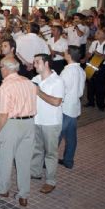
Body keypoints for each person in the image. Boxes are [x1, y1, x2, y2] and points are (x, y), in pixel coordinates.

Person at [0, 57, 37, 207]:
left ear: (6, 68)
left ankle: (3, 189)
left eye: (0, 67)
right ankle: (24, 194)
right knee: (24, 161)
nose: (0, 70)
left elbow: (3, 115)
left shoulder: (5, 87)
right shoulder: (29, 83)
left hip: (12, 125)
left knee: (5, 158)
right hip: (29, 123)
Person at [30, 53, 64, 194]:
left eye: (37, 62)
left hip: (51, 122)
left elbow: (56, 102)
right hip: (37, 119)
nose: (34, 65)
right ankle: (35, 172)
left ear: (46, 64)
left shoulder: (57, 81)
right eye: (34, 62)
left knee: (51, 152)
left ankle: (50, 181)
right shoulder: (35, 79)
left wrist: (38, 92)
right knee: (36, 148)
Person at [58, 46, 85, 169]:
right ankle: (68, 161)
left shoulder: (67, 72)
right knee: (71, 137)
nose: (64, 53)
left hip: (65, 108)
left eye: (65, 51)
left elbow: (61, 91)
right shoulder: (81, 70)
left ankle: (47, 162)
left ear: (69, 55)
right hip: (75, 107)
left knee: (56, 137)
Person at [85, 28, 105, 111]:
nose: (96, 34)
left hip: (101, 68)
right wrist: (87, 56)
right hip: (92, 65)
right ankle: (91, 102)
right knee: (90, 85)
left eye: (98, 33)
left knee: (100, 87)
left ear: (104, 35)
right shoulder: (94, 43)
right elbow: (89, 54)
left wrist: (100, 55)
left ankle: (101, 105)